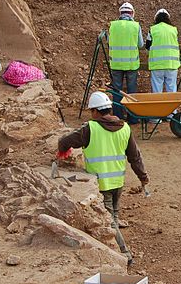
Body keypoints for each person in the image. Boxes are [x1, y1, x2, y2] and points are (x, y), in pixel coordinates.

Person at [57, 91, 149, 264]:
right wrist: (143, 177)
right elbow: (135, 157)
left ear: (96, 112)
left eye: (91, 111)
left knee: (110, 220)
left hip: (101, 183)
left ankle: (125, 254)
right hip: (118, 182)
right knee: (113, 216)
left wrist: (62, 151)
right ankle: (120, 247)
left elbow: (64, 142)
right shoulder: (125, 128)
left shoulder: (90, 128)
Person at [108, 2, 143, 121]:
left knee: (117, 91)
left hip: (116, 64)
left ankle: (117, 117)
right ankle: (133, 117)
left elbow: (109, 42)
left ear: (120, 13)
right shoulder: (135, 26)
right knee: (131, 90)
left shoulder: (113, 25)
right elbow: (141, 44)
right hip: (131, 64)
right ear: (132, 13)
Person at [145, 8, 181, 96]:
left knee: (157, 92)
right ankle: (173, 110)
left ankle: (158, 110)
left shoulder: (152, 29)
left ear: (156, 18)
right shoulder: (174, 29)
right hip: (172, 65)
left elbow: (147, 46)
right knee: (172, 90)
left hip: (157, 65)